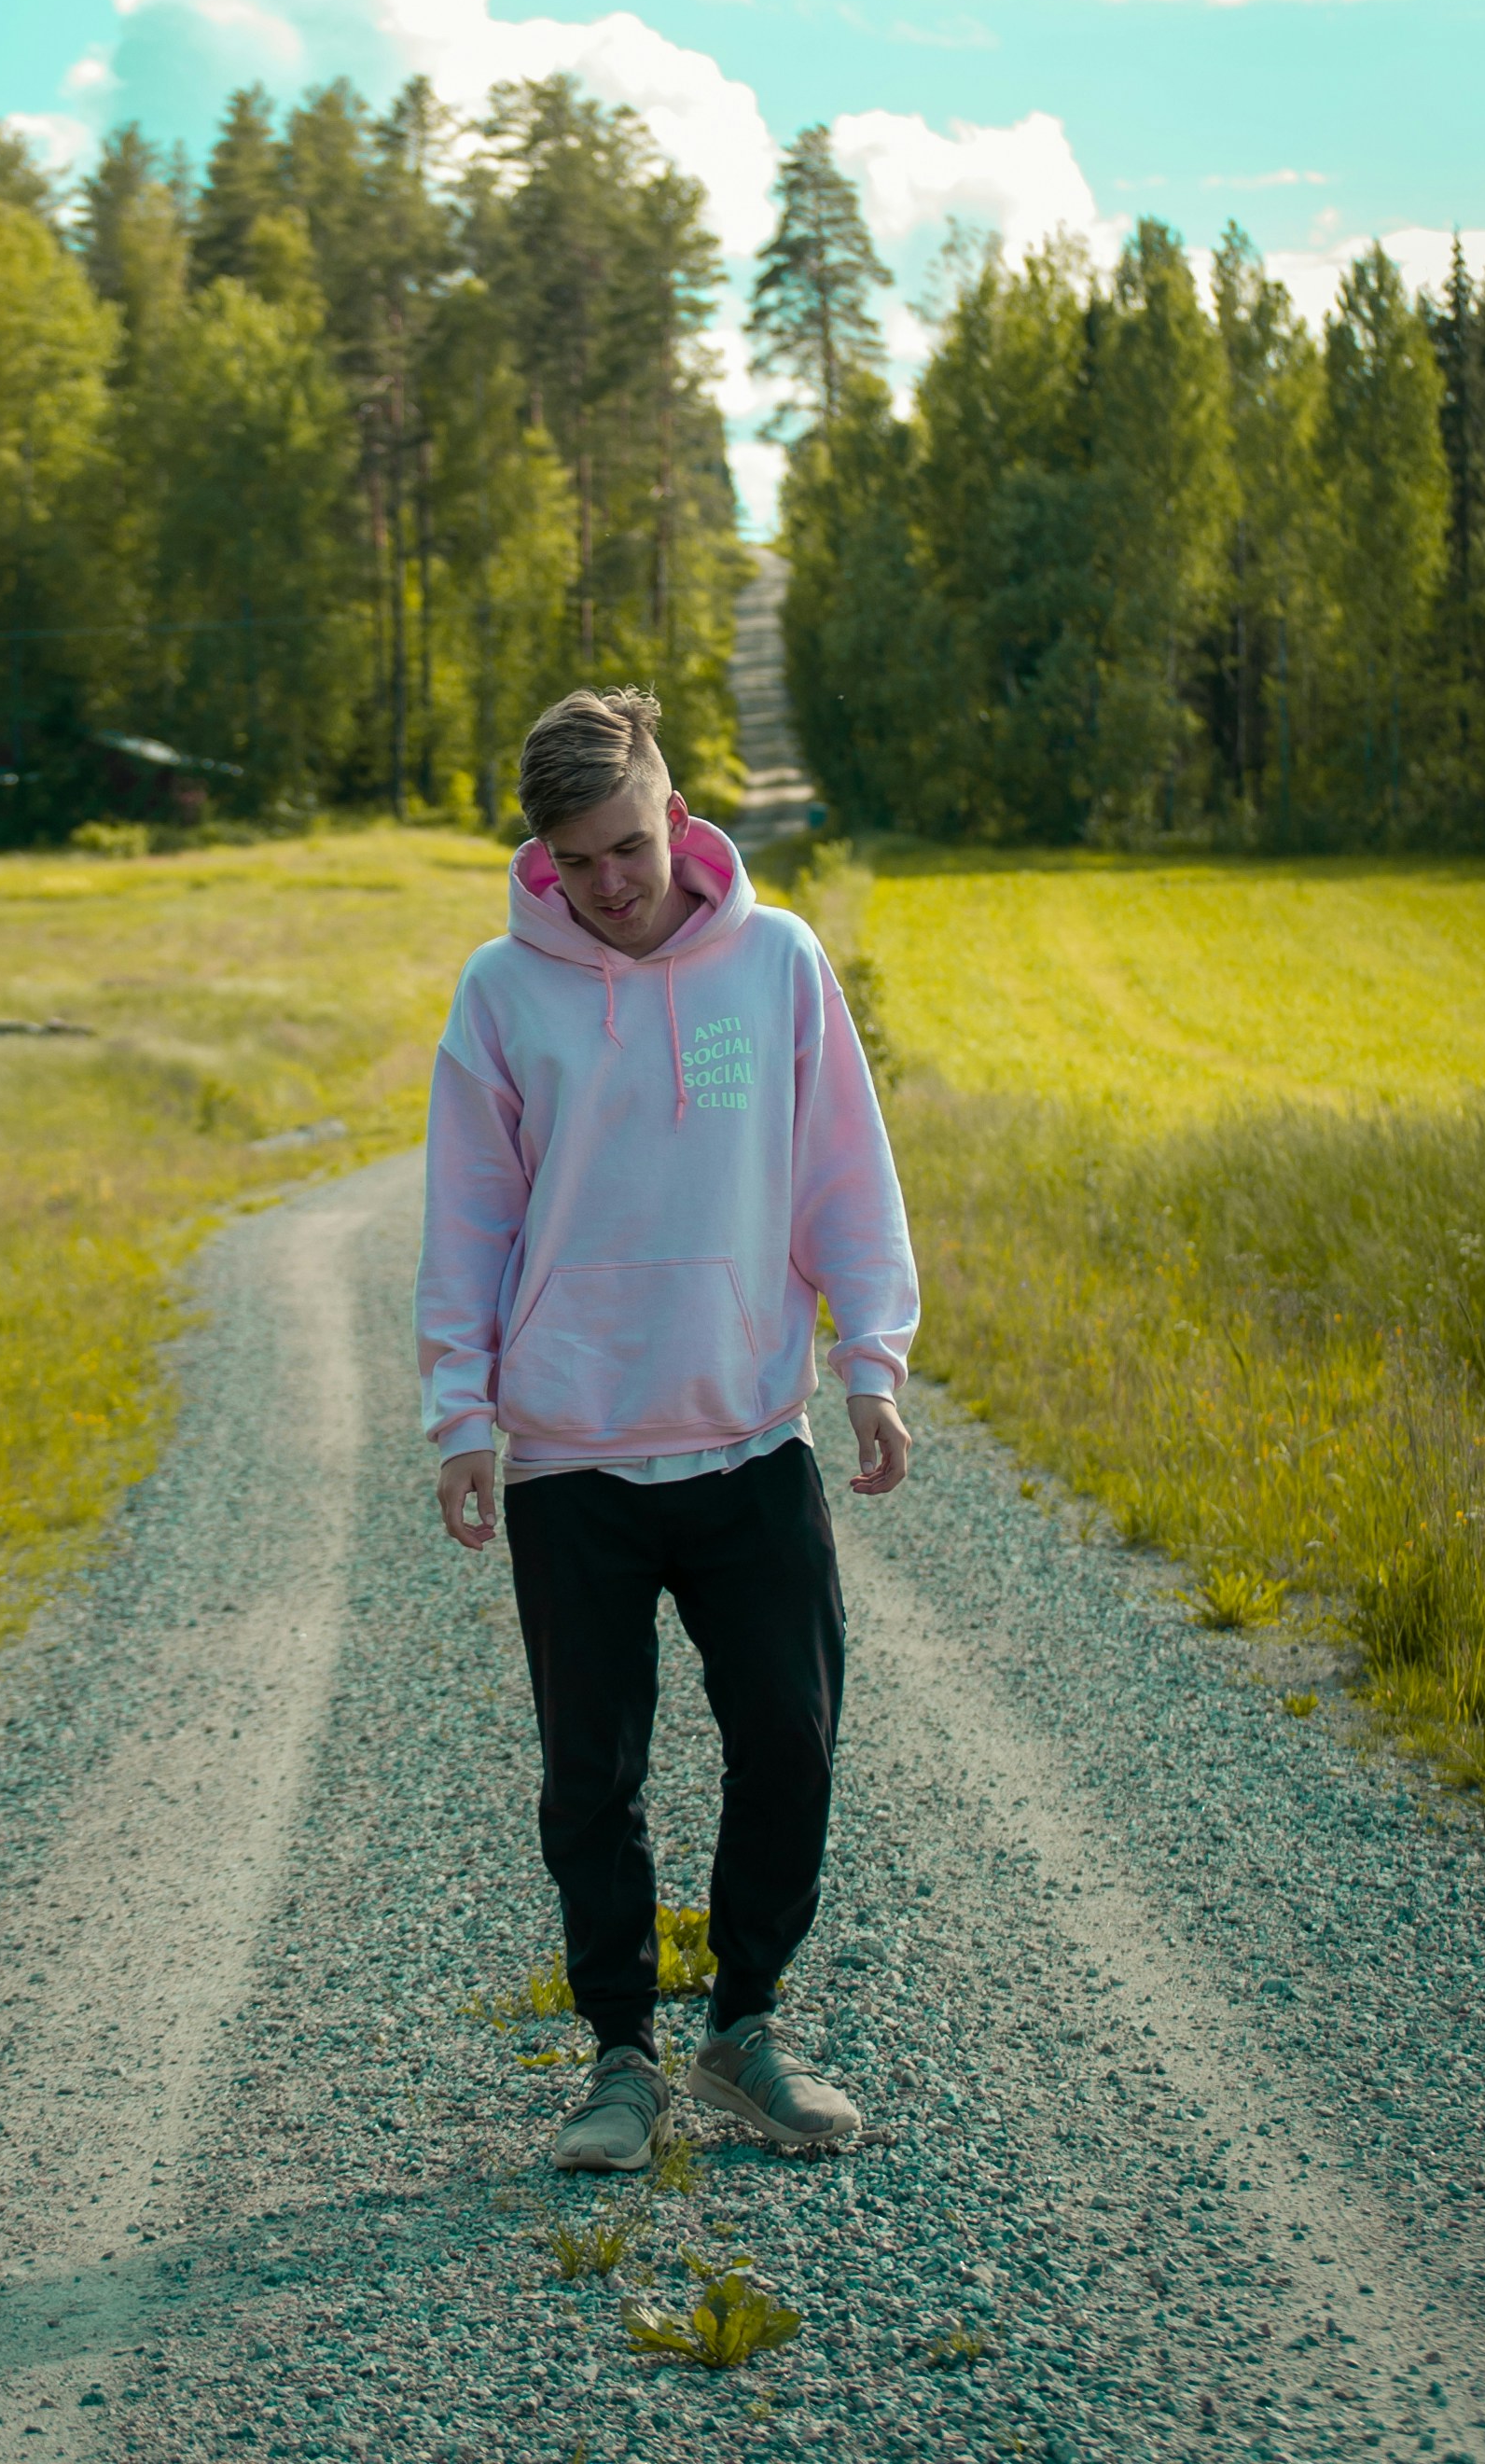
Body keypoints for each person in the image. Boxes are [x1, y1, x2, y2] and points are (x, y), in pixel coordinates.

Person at [415, 686, 917, 2172]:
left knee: (792, 1741)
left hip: (752, 1436)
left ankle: (744, 2030)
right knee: (593, 1778)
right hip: (574, 1457)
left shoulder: (777, 961)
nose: (610, 883)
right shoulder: (503, 994)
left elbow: (844, 1176)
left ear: (676, 819)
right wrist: (461, 1416)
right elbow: (468, 1218)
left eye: (628, 846)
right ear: (541, 858)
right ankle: (621, 2060)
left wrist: (872, 1361)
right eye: (576, 861)